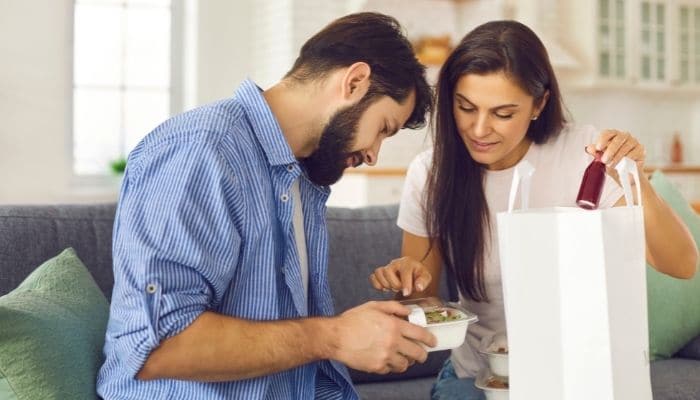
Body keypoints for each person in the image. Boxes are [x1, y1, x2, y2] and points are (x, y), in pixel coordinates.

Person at [96, 12, 438, 400]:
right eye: (383, 129)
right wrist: (334, 336)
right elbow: (158, 347)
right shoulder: (202, 151)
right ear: (354, 82)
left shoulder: (300, 179)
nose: (374, 155)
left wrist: (361, 334)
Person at [369, 20, 699, 400]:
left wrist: (634, 177)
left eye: (503, 113)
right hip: (481, 373)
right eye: (466, 107)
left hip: (575, 370)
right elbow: (421, 299)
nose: (479, 129)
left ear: (539, 104)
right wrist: (406, 283)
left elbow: (681, 264)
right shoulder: (430, 172)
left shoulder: (584, 155)